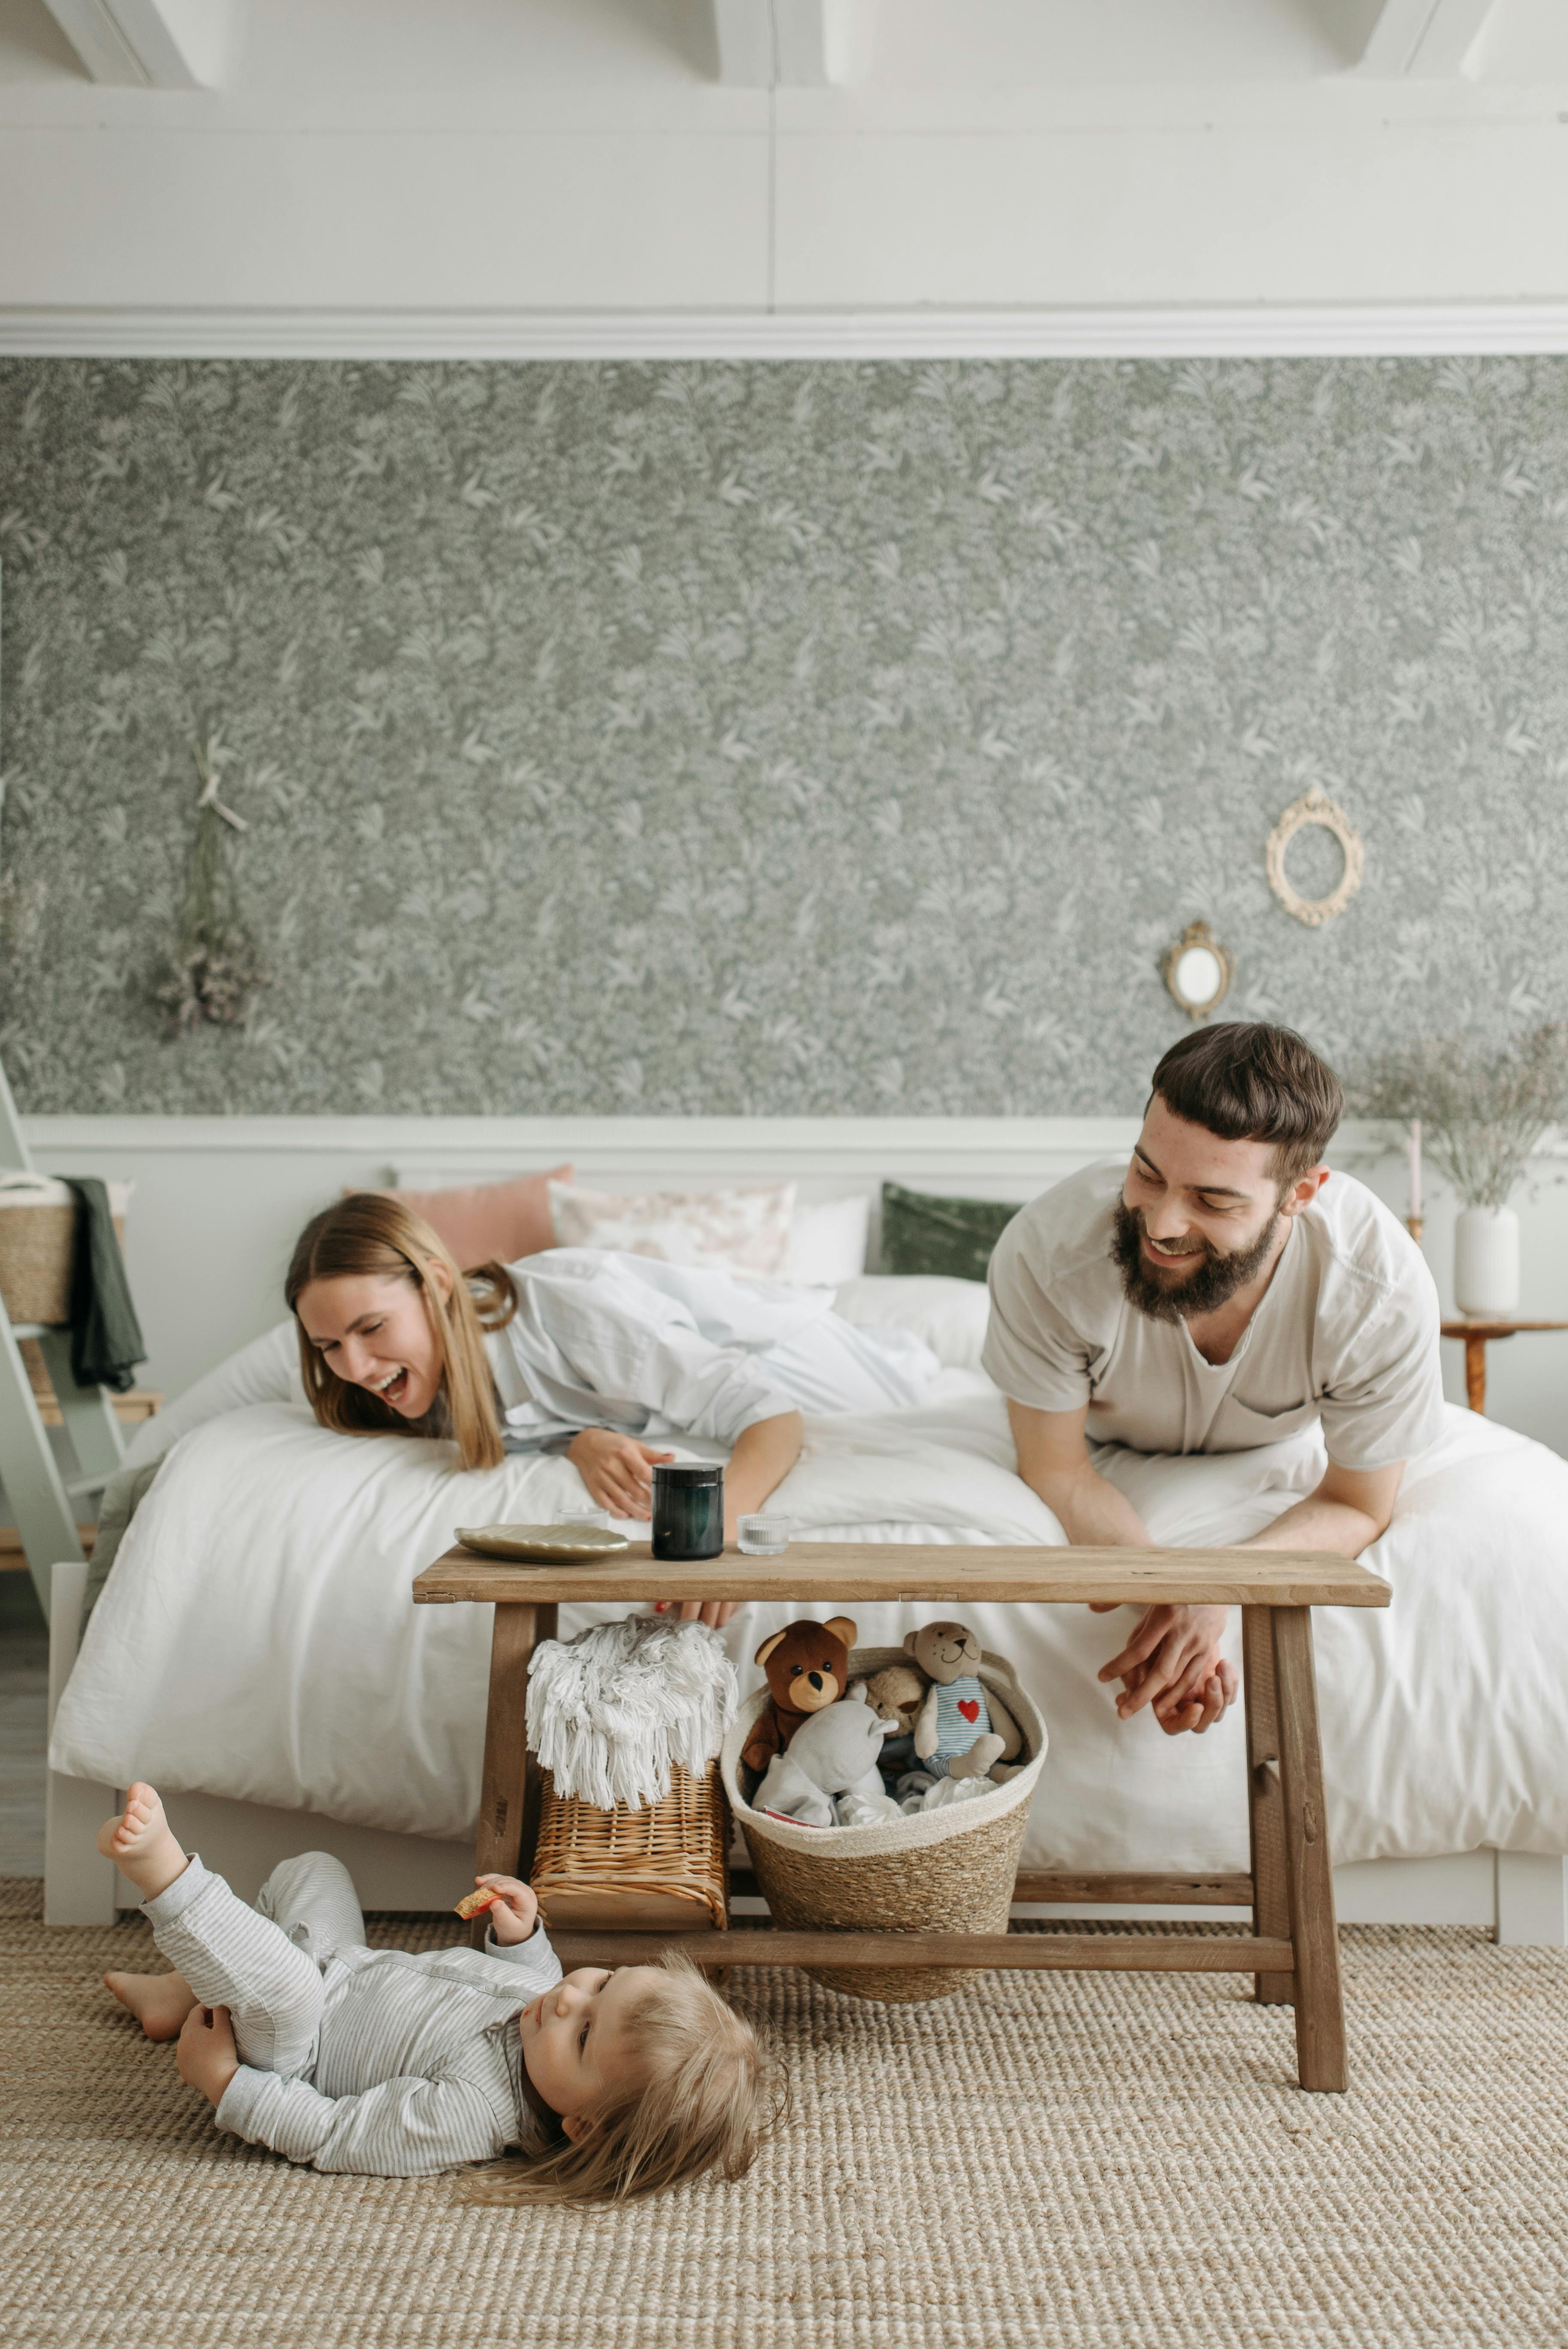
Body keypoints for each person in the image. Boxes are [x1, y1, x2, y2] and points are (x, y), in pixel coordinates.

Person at [983, 1022, 1443, 1740]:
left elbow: (1357, 1501)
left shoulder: (1376, 1289)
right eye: (1147, 1172)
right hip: (1099, 1439)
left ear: (1301, 1193)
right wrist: (1173, 1594)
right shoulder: (1048, 1252)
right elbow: (1056, 1466)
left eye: (1213, 1200)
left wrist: (1216, 1591)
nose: (1162, 1222)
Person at [98, 1782, 782, 2201]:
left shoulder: (473, 2111)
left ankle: (163, 1872)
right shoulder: (546, 2014)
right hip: (345, 1965)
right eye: (602, 1980)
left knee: (282, 1988)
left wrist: (227, 2085)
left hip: (295, 2046)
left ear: (582, 2123)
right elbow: (545, 1983)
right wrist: (520, 1935)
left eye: (583, 2034)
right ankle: (184, 1991)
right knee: (317, 1869)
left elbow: (338, 2136)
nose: (571, 1997)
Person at [283, 1192, 938, 1626]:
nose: (354, 1367)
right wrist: (578, 1440)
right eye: (328, 1344)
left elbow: (771, 1416)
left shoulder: (572, 1316)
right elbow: (523, 1417)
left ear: (440, 1285)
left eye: (371, 1327)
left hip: (833, 1372)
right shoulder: (405, 1378)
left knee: (913, 1364)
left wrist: (720, 1541)